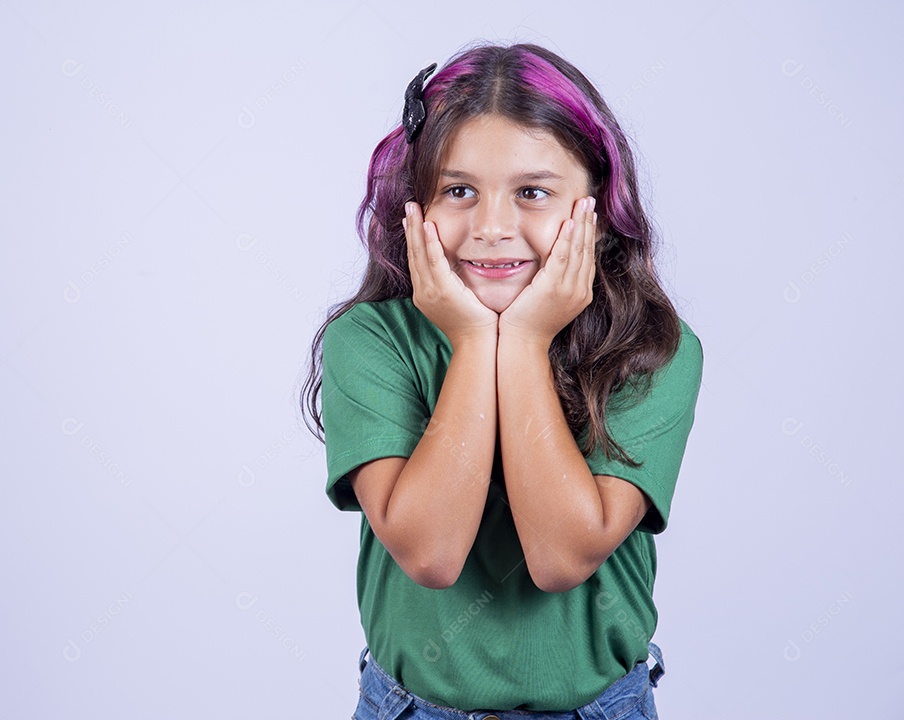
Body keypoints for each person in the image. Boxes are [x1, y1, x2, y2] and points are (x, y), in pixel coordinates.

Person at [301, 41, 703, 719]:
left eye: (532, 193)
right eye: (459, 191)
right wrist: (471, 341)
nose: (491, 228)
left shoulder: (651, 349)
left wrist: (521, 341)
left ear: (596, 205)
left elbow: (561, 558)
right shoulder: (371, 341)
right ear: (416, 206)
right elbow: (430, 554)